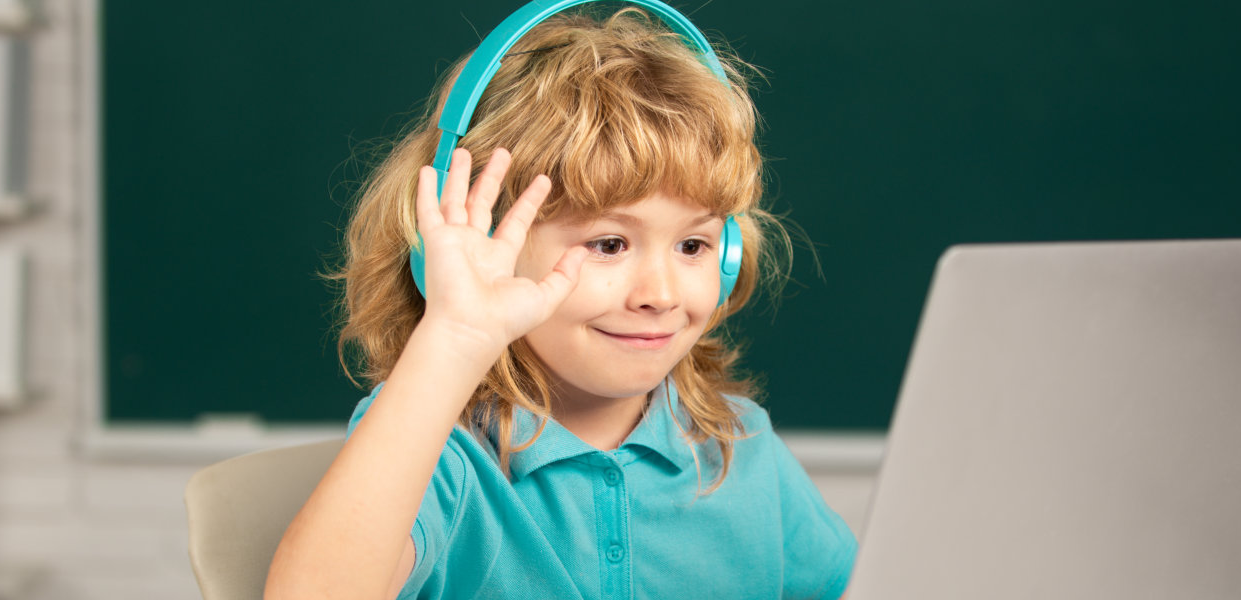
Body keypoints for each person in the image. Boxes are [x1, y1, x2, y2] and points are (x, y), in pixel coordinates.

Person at [264, 5, 856, 599]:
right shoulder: (441, 453)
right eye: (608, 243)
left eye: (693, 244)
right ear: (481, 243)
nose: (662, 295)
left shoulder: (741, 446)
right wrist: (454, 340)